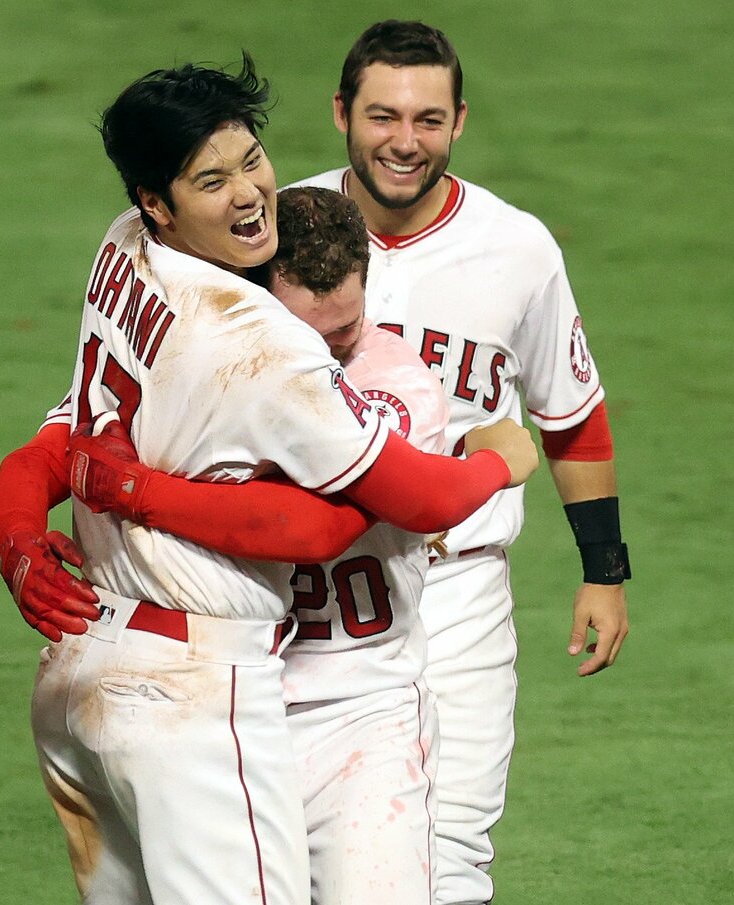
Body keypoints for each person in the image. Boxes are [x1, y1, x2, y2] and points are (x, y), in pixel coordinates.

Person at [0, 61, 539, 905]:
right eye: (212, 179)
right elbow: (331, 524)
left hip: (115, 672)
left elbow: (57, 449)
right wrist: (503, 457)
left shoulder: (124, 253)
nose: (248, 193)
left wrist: (27, 531)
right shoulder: (258, 345)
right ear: (155, 202)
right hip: (191, 683)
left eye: (251, 161)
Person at [288, 20, 632, 904]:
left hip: (458, 592)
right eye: (382, 115)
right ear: (341, 114)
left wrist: (604, 569)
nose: (405, 141)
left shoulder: (517, 248)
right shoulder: (277, 230)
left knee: (448, 858)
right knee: (296, 856)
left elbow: (570, 413)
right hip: (313, 596)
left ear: (459, 121)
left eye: (428, 119)